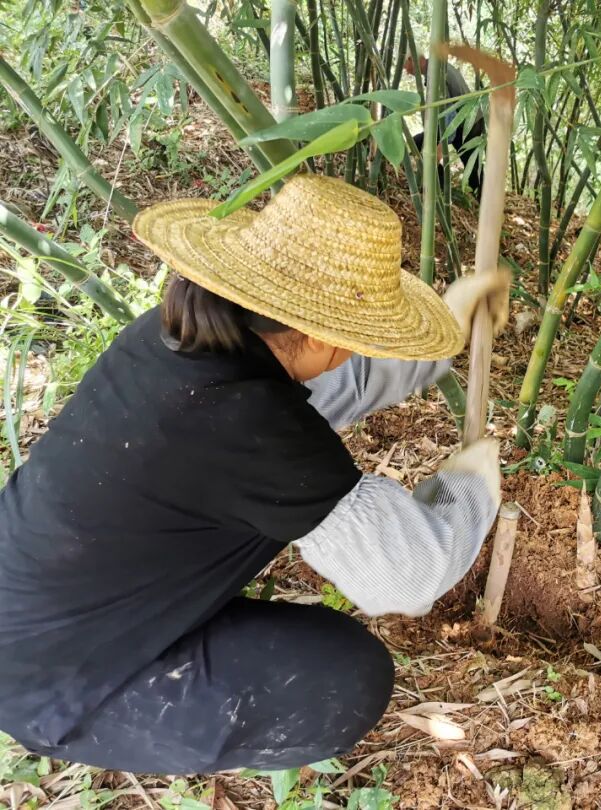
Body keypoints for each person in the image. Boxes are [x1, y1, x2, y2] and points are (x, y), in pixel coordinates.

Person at [0, 173, 512, 772]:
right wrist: (470, 488)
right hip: (52, 681)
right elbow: (406, 579)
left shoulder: (181, 338)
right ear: (317, 335)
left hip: (32, 603)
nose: (356, 351)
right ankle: (98, 722)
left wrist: (450, 327)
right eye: (357, 337)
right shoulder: (255, 426)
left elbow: (327, 384)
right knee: (343, 681)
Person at [404, 54, 485, 195]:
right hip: (464, 120)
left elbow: (449, 112)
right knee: (418, 143)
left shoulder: (435, 72)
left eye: (405, 66)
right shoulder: (436, 67)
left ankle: (440, 191)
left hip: (466, 123)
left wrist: (441, 145)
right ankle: (437, 188)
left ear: (412, 59)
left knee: (472, 167)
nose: (406, 71)